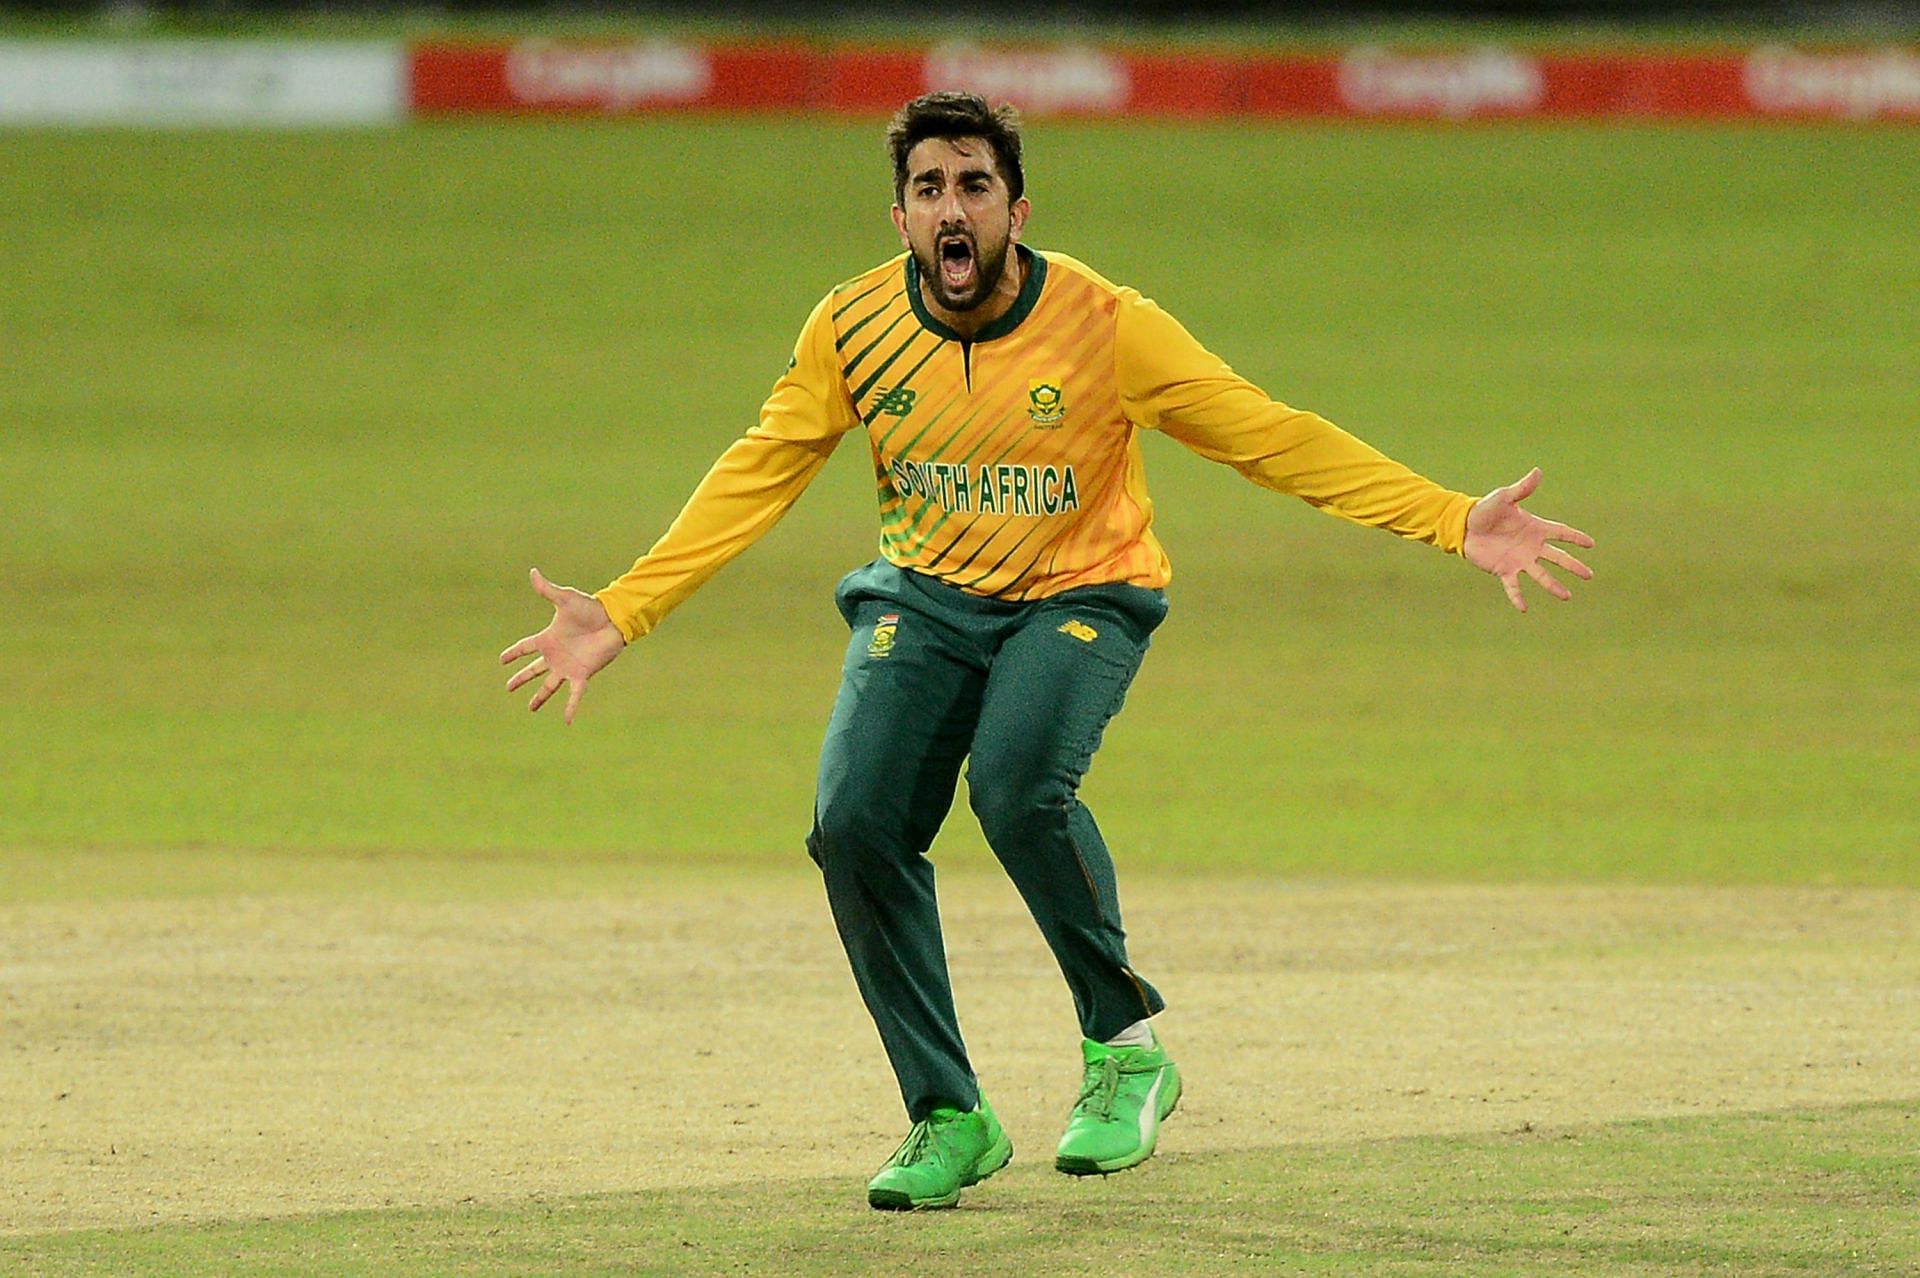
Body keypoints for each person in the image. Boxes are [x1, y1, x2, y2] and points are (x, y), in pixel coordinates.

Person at [501, 91, 1593, 1211]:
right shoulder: (850, 327)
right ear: (900, 219)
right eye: (929, 189)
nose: (952, 209)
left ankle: (1125, 1051)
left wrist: (1451, 517)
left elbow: (1269, 436)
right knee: (853, 824)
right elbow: (758, 471)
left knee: (1019, 786)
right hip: (924, 600)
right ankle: (948, 1114)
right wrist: (623, 610)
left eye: (974, 185)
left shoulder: (1108, 324)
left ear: (1017, 208)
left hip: (1082, 593)